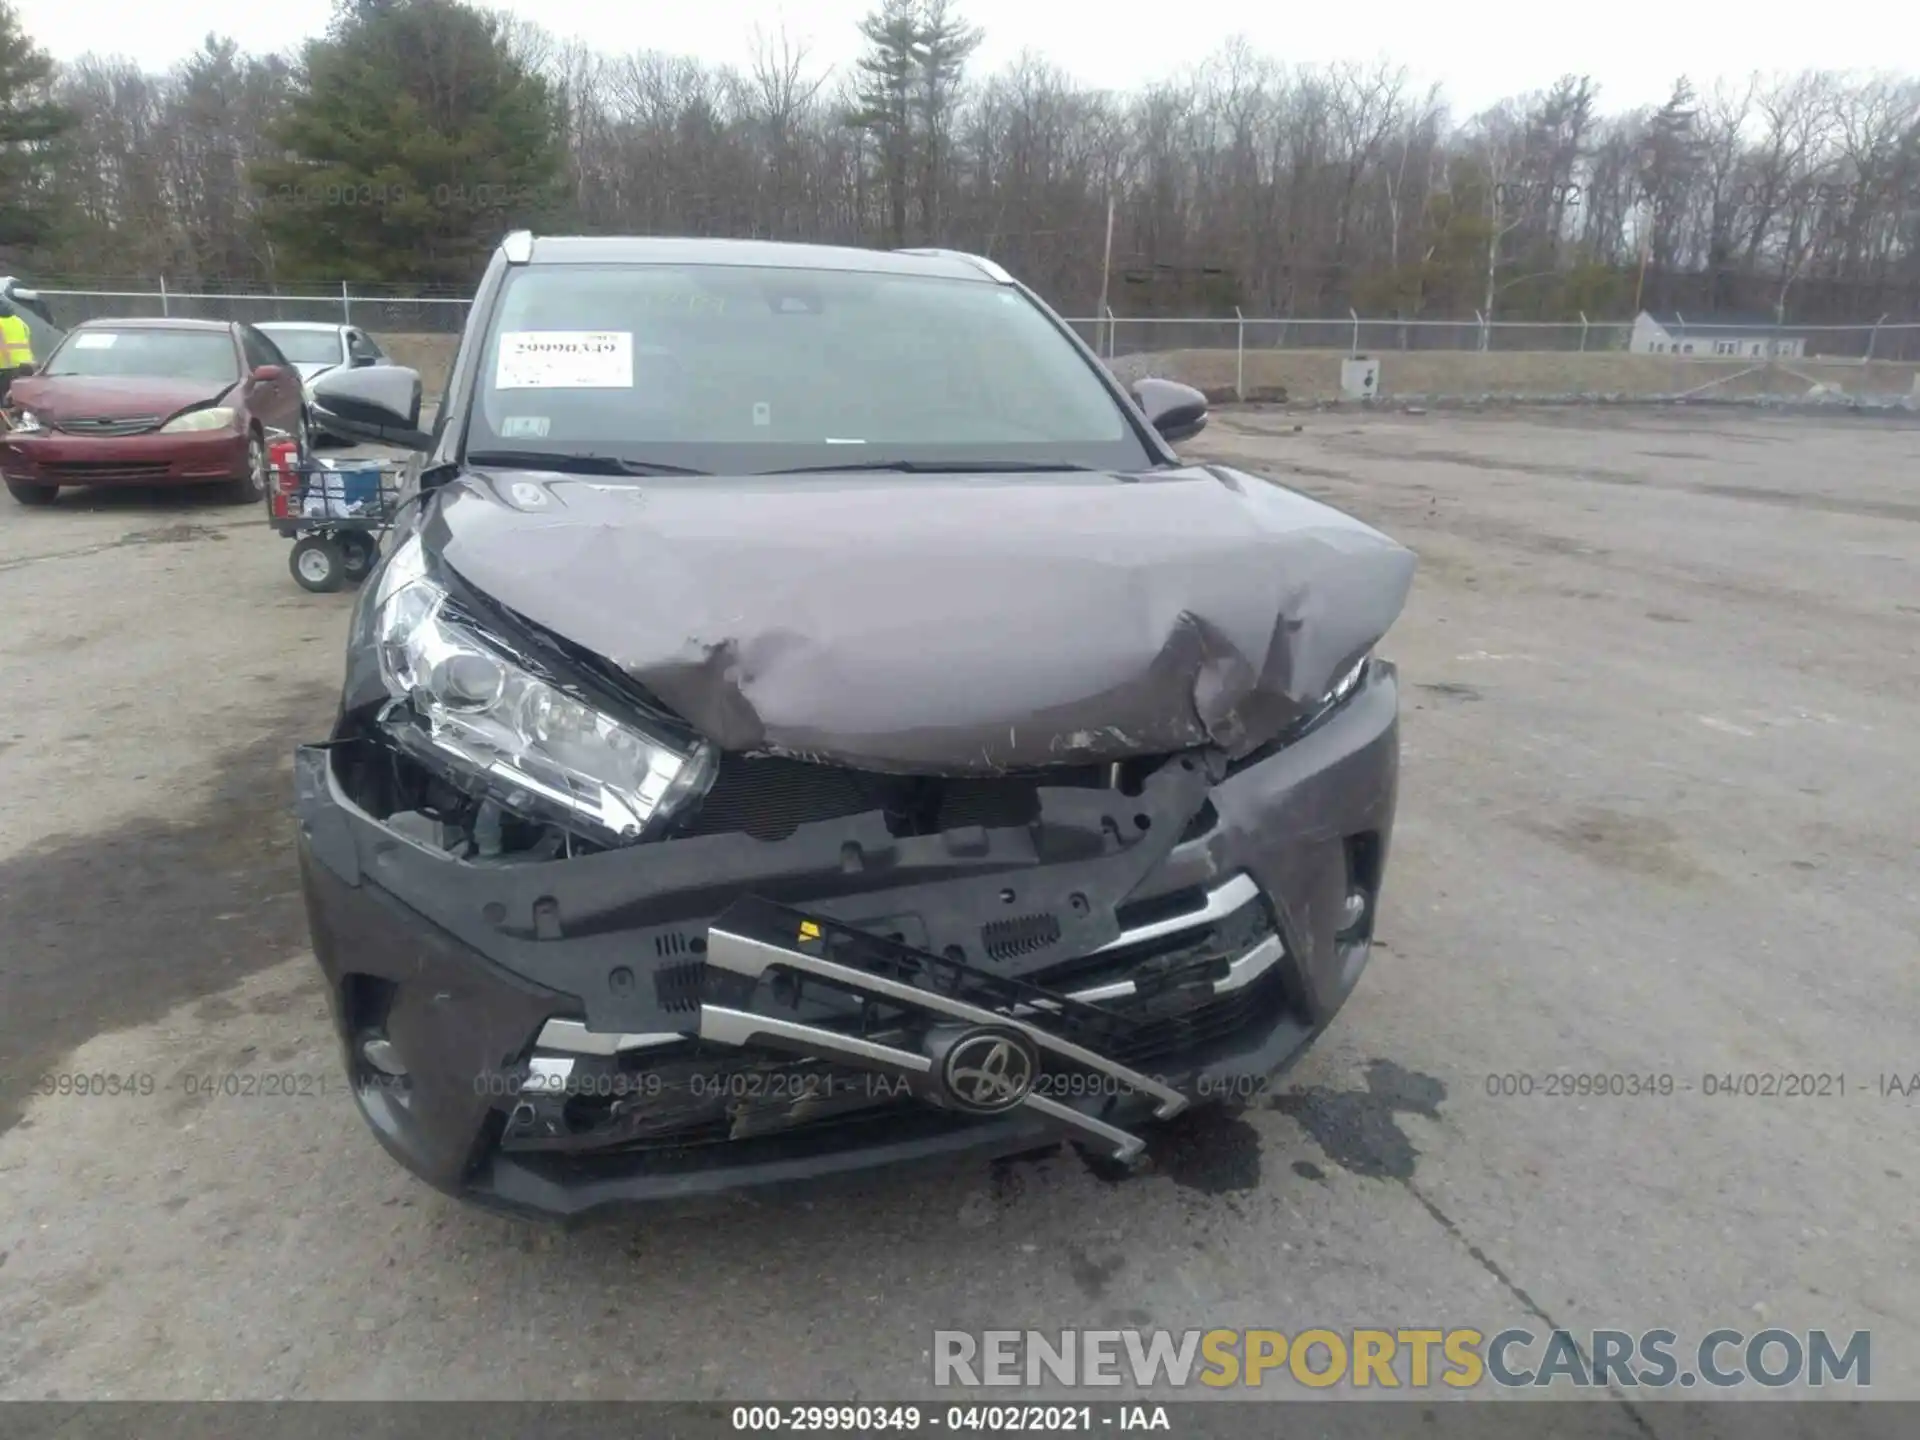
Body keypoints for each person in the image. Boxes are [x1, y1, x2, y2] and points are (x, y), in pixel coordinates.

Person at [0, 299, 36, 410]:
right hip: (27, 365)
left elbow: (2, 346)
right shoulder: (19, 321)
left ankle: (7, 424)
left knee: (6, 402)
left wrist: (9, 361)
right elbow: (28, 338)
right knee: (21, 399)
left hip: (6, 367)